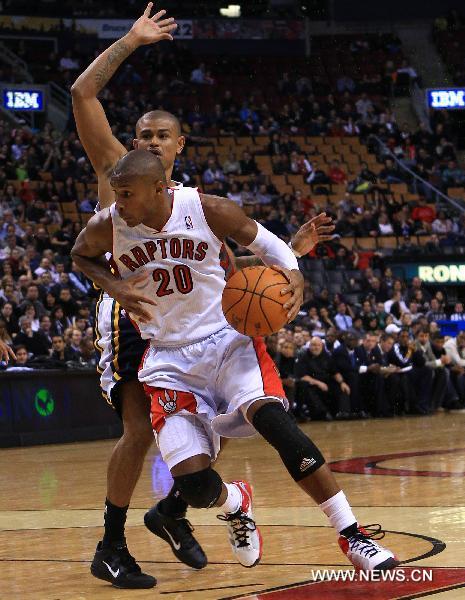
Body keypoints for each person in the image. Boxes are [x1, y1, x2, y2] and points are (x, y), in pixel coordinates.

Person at [71, 5, 336, 588]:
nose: (149, 143)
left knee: (195, 435)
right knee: (141, 431)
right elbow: (83, 93)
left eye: (160, 136)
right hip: (129, 312)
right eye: (142, 134)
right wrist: (132, 41)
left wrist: (288, 254)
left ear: (179, 147)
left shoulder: (192, 205)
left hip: (189, 322)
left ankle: (173, 509)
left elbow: (217, 271)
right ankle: (112, 545)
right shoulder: (118, 172)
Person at [72, 149, 398, 579]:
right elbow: (80, 255)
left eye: (128, 194)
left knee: (276, 425)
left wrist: (293, 272)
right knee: (193, 484)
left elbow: (266, 244)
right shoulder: (109, 223)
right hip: (168, 360)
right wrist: (115, 285)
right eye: (117, 194)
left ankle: (353, 535)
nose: (120, 203)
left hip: (227, 342)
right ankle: (235, 502)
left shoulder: (206, 209)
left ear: (158, 189)